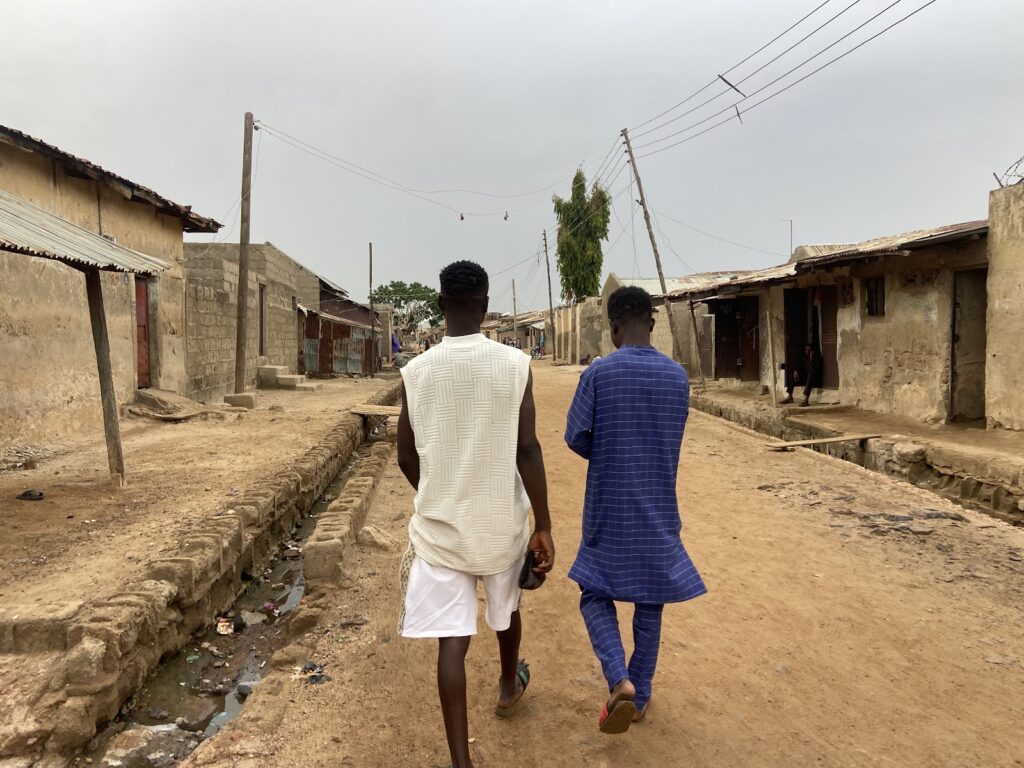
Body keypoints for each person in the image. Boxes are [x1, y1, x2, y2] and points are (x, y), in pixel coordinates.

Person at [397, 260, 555, 768]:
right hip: (500, 527)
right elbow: (527, 450)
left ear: (440, 305)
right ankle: (509, 687)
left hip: (442, 532)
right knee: (507, 611)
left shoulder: (416, 372)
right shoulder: (513, 366)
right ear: (485, 307)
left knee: (452, 642)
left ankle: (461, 763)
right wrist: (544, 525)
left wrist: (439, 492)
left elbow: (405, 455)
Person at [564, 286, 706, 734]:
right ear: (651, 322)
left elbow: (576, 436)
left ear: (612, 328)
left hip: (609, 503)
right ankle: (639, 695)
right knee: (650, 601)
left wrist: (612, 447)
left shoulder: (599, 375)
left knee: (593, 591)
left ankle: (618, 678)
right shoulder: (677, 378)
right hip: (660, 505)